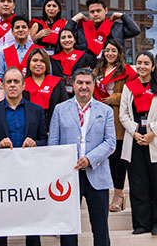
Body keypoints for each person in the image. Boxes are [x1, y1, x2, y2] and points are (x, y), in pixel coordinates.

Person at [0, 68, 48, 246]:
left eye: (16, 81)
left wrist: (35, 143)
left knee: (32, 226)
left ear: (24, 85)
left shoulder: (37, 111)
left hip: (29, 175)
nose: (12, 85)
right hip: (1, 176)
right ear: (2, 85)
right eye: (8, 82)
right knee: (1, 225)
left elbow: (45, 141)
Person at [48, 68, 116, 246]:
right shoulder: (60, 109)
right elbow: (53, 144)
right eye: (80, 83)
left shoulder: (106, 110)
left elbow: (110, 142)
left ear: (94, 85)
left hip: (97, 175)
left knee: (101, 229)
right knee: (69, 229)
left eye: (88, 83)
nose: (84, 87)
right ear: (72, 84)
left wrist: (89, 159)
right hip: (68, 177)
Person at [119, 52, 157, 236]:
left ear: (153, 66)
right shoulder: (129, 87)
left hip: (156, 138)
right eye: (139, 63)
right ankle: (141, 223)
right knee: (137, 184)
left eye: (146, 63)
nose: (142, 66)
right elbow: (123, 115)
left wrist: (152, 133)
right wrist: (134, 133)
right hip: (135, 138)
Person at [93, 39, 135, 212]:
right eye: (107, 50)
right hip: (100, 116)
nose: (110, 53)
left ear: (119, 53)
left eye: (113, 50)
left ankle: (119, 194)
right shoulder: (97, 71)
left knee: (117, 158)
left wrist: (114, 98)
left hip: (118, 118)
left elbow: (133, 92)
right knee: (105, 156)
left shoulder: (127, 71)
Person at [71, 0, 140, 60]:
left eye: (98, 11)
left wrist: (122, 16)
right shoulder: (81, 29)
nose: (95, 14)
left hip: (113, 70)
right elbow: (64, 39)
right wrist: (73, 20)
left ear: (106, 10)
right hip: (88, 70)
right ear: (88, 13)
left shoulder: (117, 27)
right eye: (92, 12)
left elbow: (135, 31)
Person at [24, 48, 66, 130]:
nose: (38, 64)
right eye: (35, 60)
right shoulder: (22, 85)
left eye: (42, 61)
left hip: (54, 129)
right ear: (29, 63)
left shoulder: (58, 83)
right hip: (28, 131)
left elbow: (64, 108)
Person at [51, 29, 93, 94]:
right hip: (59, 94)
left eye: (69, 37)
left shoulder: (86, 58)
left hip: (81, 93)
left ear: (75, 40)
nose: (67, 40)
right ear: (59, 41)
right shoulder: (53, 60)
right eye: (63, 38)